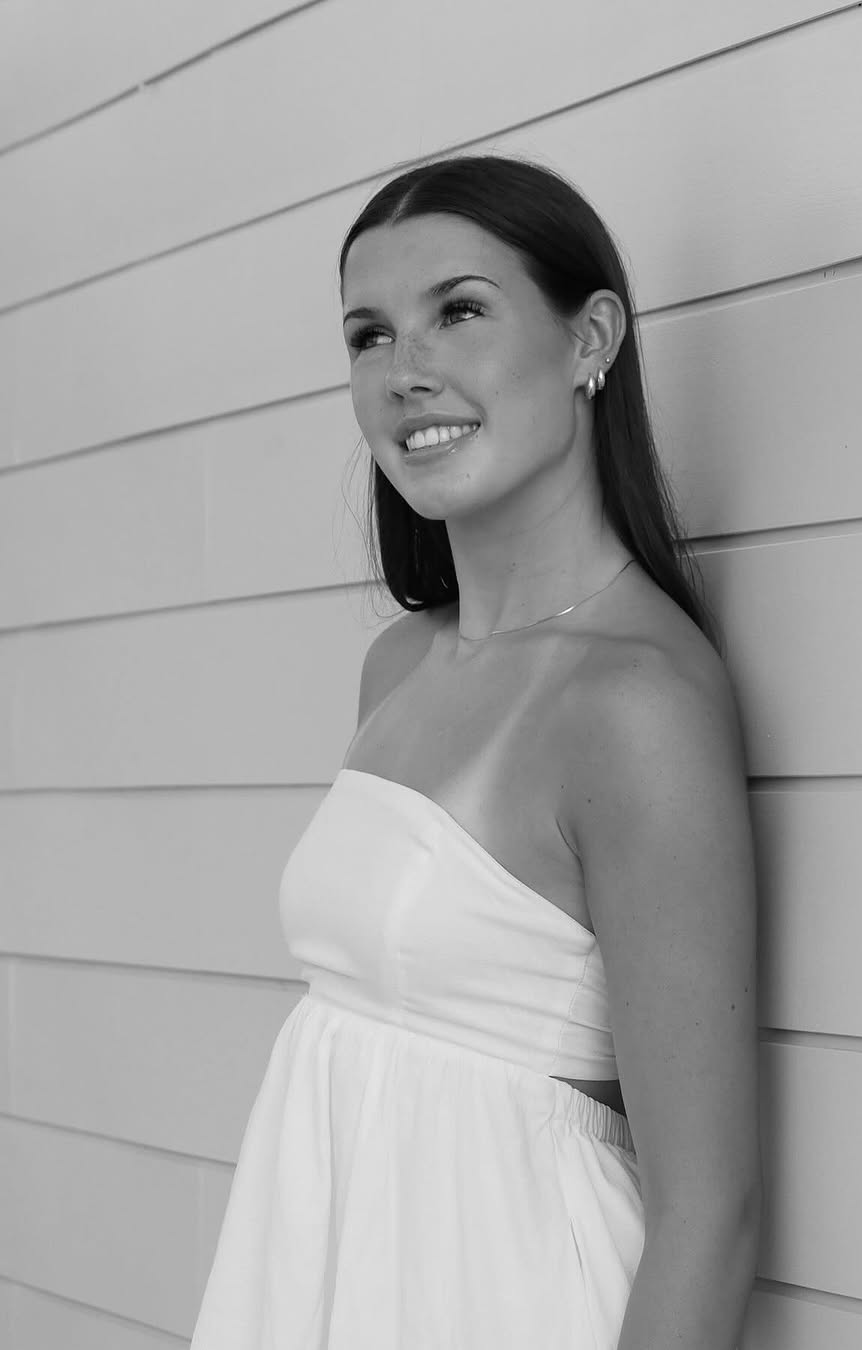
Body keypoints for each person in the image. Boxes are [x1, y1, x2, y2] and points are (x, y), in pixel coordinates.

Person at [191, 153, 760, 1349]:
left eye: (457, 312)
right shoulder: (399, 665)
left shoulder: (634, 703)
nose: (406, 372)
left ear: (590, 338)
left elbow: (709, 1213)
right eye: (369, 336)